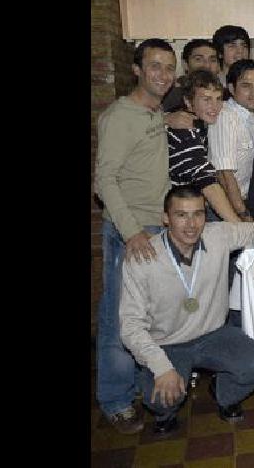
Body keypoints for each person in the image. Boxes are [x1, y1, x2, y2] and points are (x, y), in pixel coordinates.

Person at [119, 186, 254, 436]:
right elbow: (129, 326)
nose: (191, 224)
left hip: (213, 333)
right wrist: (161, 367)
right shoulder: (142, 258)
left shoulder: (217, 236)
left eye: (198, 214)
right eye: (181, 215)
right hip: (167, 343)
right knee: (160, 398)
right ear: (165, 218)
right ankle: (166, 411)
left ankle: (223, 393)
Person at [93, 38, 177, 434]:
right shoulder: (120, 115)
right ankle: (115, 400)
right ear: (138, 70)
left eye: (169, 67)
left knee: (148, 318)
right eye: (155, 66)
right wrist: (131, 233)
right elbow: (103, 180)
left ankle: (143, 387)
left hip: (156, 229)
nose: (164, 74)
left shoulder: (153, 114)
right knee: (117, 319)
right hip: (131, 233)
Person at [165, 69, 246, 224]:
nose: (214, 106)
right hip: (177, 215)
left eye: (218, 99)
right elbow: (207, 182)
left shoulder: (200, 126)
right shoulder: (185, 131)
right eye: (206, 99)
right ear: (189, 102)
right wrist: (239, 226)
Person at [210, 59, 254, 221]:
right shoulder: (225, 116)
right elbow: (224, 174)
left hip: (245, 199)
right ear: (231, 88)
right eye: (246, 86)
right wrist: (242, 212)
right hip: (224, 207)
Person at [162, 39, 221, 112]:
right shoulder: (171, 95)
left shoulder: (226, 94)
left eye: (212, 60)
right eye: (198, 59)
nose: (207, 65)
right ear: (185, 64)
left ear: (218, 66)